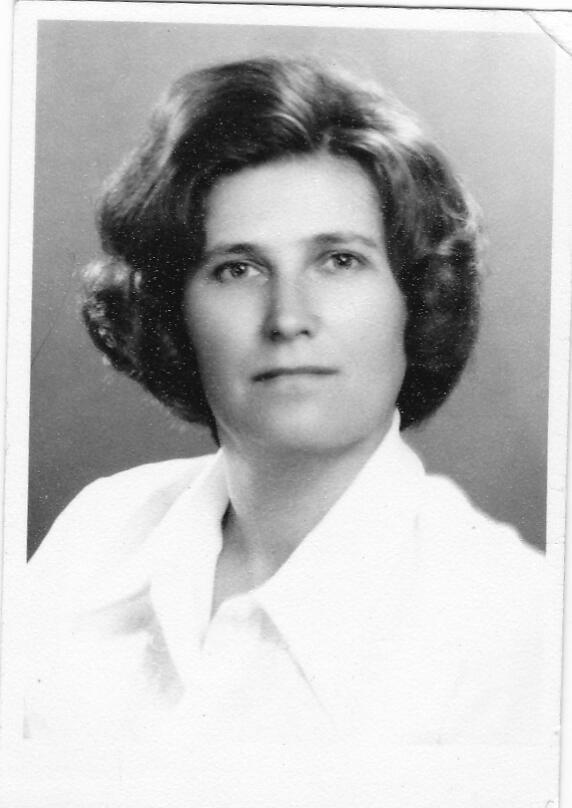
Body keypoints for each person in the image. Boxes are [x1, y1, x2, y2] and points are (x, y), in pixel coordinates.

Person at [26, 57, 547, 792]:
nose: (289, 318)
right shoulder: (100, 534)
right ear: (175, 311)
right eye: (238, 269)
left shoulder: (513, 624)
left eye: (339, 261)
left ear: (416, 297)